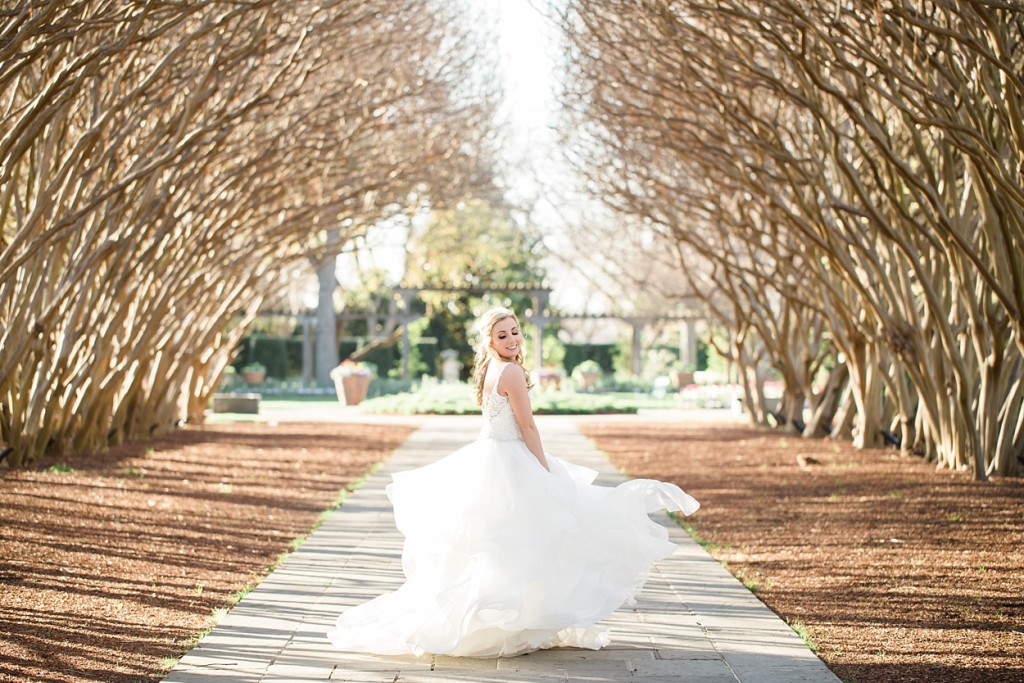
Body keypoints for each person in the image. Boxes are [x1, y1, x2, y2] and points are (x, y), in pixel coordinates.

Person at [327, 306, 699, 658]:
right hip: (509, 459)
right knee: (531, 539)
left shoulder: (491, 368)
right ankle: (519, 623)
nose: (512, 340)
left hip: (489, 455)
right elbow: (527, 426)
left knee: (506, 544)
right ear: (490, 342)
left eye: (515, 332)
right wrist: (543, 469)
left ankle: (515, 622)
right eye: (502, 335)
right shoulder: (512, 372)